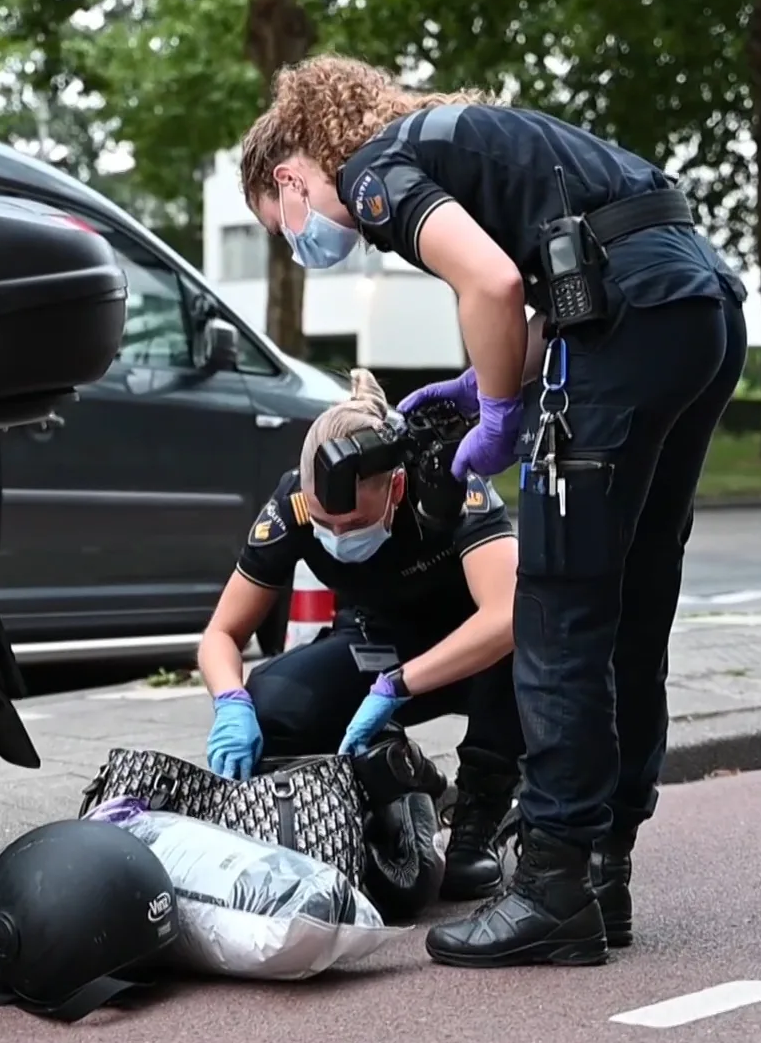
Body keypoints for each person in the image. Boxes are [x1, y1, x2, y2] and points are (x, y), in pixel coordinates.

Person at [234, 56, 747, 969]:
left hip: (631, 316)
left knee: (556, 603)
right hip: (697, 304)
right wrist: (485, 382)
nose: (304, 238)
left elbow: (493, 286)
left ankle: (553, 887)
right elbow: (551, 271)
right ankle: (603, 872)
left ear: (290, 177)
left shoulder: (372, 171)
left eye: (286, 224)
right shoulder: (464, 138)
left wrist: (506, 416)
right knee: (633, 596)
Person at [196, 369, 524, 903]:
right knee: (273, 700)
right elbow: (222, 633)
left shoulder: (446, 483)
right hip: (376, 646)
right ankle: (393, 787)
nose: (338, 536)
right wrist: (230, 700)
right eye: (327, 525)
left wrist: (401, 684)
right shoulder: (295, 507)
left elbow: (506, 614)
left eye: (352, 524)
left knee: (528, 647)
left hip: (471, 656)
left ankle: (478, 822)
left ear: (395, 487)